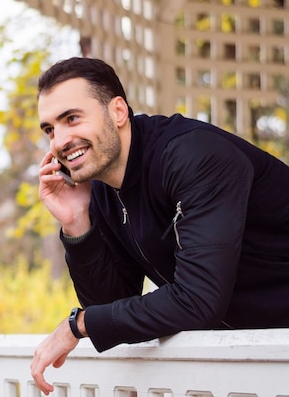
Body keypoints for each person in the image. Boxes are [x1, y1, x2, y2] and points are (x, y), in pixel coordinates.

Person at [29, 57, 289, 395]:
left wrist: (78, 325)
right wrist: (77, 224)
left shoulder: (194, 156)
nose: (60, 141)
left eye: (72, 119)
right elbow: (112, 302)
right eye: (50, 129)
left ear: (118, 112)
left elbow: (197, 300)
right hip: (258, 357)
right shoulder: (105, 190)